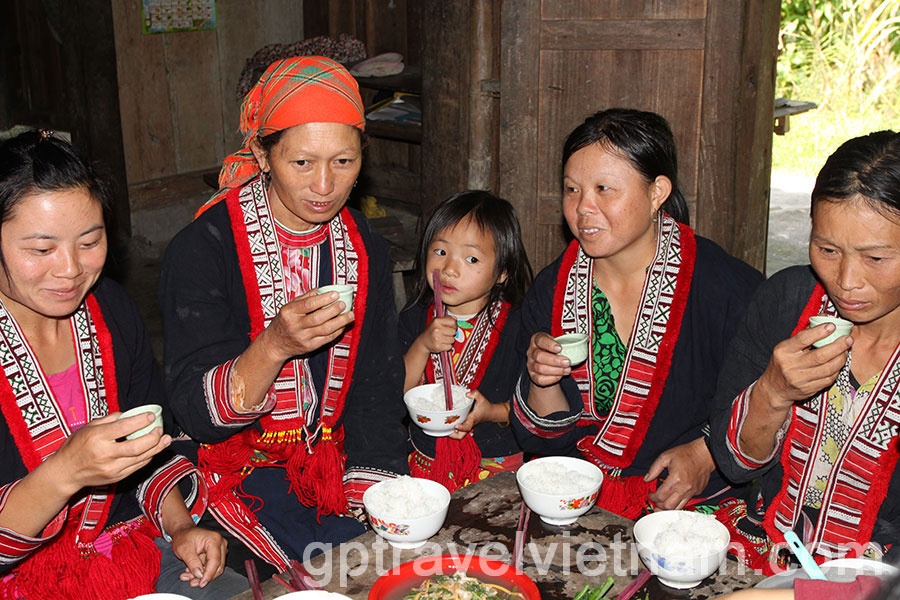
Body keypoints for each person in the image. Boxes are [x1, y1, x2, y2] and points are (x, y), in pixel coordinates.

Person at [159, 55, 410, 572]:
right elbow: (197, 413)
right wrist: (274, 346)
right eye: (302, 163)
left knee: (385, 560)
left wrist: (373, 491)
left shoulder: (364, 247)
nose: (325, 185)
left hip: (333, 461)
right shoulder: (203, 249)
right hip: (234, 470)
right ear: (262, 153)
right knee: (310, 574)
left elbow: (376, 384)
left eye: (344, 162)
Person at [0, 130, 246, 598]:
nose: (70, 269)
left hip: (121, 549)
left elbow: (147, 441)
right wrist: (67, 470)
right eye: (41, 250)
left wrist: (180, 528)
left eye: (89, 242)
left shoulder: (109, 309)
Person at [510, 108, 764, 519]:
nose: (583, 208)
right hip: (575, 492)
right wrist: (543, 379)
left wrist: (706, 454)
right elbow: (543, 439)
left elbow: (771, 395)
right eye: (572, 190)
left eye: (604, 189)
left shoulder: (726, 288)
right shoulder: (553, 288)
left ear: (657, 192)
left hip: (690, 504)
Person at [709, 130, 900, 573]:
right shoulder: (788, 301)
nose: (846, 281)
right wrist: (773, 392)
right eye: (827, 249)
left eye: (875, 258)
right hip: (766, 548)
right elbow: (733, 465)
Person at [400, 190, 533, 492]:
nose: (449, 269)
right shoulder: (415, 316)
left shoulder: (519, 326)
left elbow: (533, 408)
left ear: (502, 272)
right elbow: (395, 391)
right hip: (424, 464)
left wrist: (491, 412)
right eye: (440, 251)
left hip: (494, 470)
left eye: (471, 258)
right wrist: (423, 345)